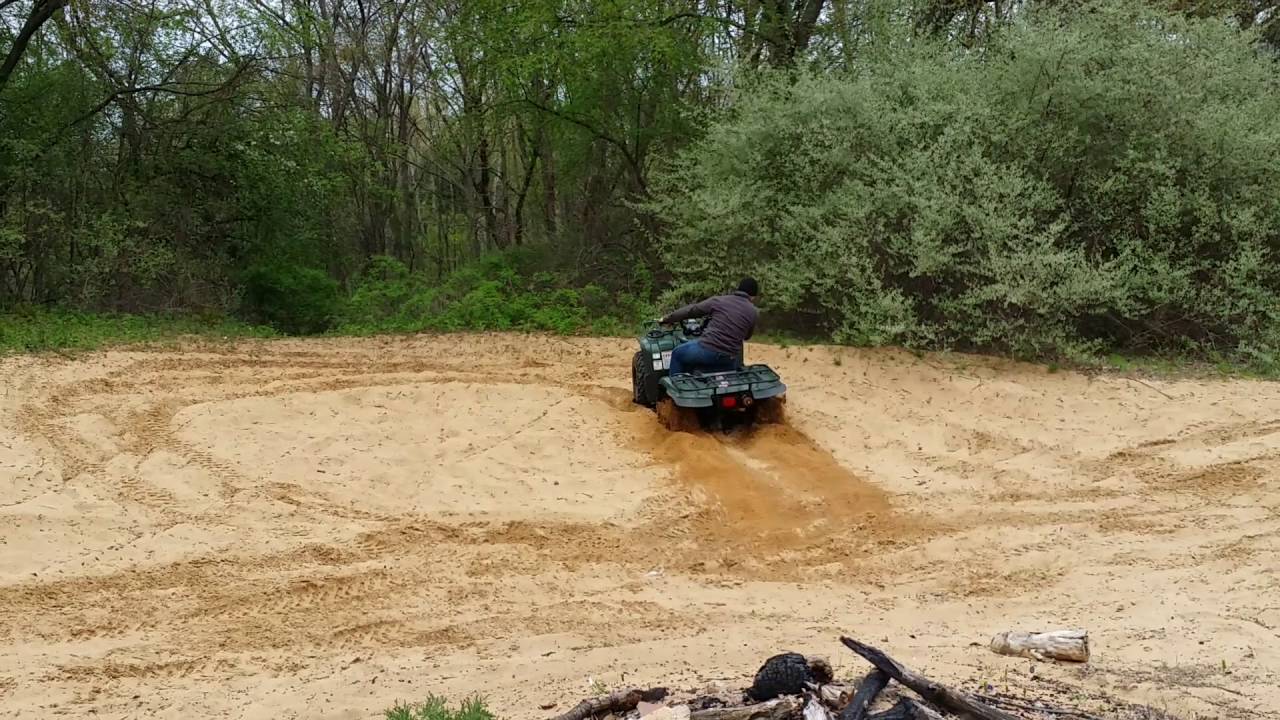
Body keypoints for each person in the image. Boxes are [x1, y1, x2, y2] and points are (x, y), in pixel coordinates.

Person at [661, 277, 759, 376]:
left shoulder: (719, 301)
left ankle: (676, 389)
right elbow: (747, 336)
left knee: (677, 353)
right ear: (753, 296)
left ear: (738, 289)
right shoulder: (753, 312)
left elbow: (692, 310)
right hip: (729, 359)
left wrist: (668, 319)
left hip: (708, 351)